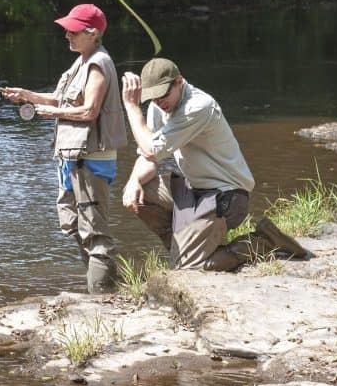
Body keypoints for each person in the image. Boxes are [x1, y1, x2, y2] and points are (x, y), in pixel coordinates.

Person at [120, 58, 311, 270]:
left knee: (193, 268)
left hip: (227, 196)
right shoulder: (160, 107)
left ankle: (264, 241)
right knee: (142, 194)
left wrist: (131, 107)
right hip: (195, 189)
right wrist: (133, 181)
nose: (158, 102)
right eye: (152, 97)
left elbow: (152, 149)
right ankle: (185, 249)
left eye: (163, 94)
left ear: (179, 82)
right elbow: (148, 157)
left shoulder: (198, 106)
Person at [1, 4, 127, 293]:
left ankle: (104, 300)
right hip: (72, 158)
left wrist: (48, 113)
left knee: (95, 234)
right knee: (73, 224)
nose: (67, 35)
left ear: (92, 33)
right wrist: (27, 96)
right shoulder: (81, 61)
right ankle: (104, 289)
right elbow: (62, 100)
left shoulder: (98, 64)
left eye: (73, 30)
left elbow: (89, 111)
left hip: (90, 160)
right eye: (67, 30)